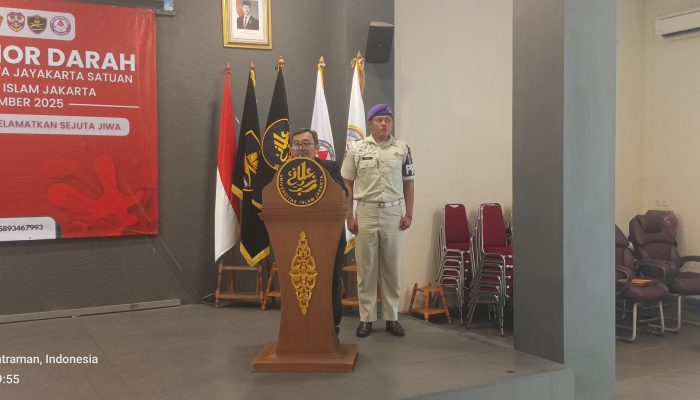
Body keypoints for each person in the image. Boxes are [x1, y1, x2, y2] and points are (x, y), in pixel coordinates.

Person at [341, 103, 415, 338]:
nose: (384, 123)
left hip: (393, 213)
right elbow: (347, 184)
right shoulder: (356, 148)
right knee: (366, 269)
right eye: (379, 120)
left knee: (392, 268)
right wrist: (349, 216)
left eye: (387, 120)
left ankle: (392, 317)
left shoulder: (402, 148)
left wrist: (409, 213)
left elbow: (409, 182)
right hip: (366, 212)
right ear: (370, 123)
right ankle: (367, 318)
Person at [290, 128, 346, 334]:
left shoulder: (330, 167)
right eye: (297, 144)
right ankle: (297, 324)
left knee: (329, 278)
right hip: (292, 236)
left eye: (306, 143)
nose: (301, 148)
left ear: (317, 148)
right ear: (291, 149)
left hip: (329, 235)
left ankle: (331, 324)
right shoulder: (283, 173)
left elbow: (342, 192)